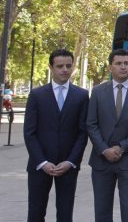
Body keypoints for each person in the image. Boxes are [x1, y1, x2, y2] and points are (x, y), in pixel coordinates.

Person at [23, 49, 89, 222]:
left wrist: (71, 161)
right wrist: (42, 162)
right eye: (60, 66)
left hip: (68, 166)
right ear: (51, 67)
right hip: (40, 165)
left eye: (68, 65)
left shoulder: (82, 95)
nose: (65, 69)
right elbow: (29, 133)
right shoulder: (36, 95)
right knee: (36, 212)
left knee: (65, 214)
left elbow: (83, 133)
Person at [87, 48, 128, 222]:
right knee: (102, 209)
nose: (123, 67)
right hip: (101, 160)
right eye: (118, 63)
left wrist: (122, 147)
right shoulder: (98, 91)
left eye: (126, 63)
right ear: (110, 67)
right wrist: (104, 149)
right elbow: (91, 124)